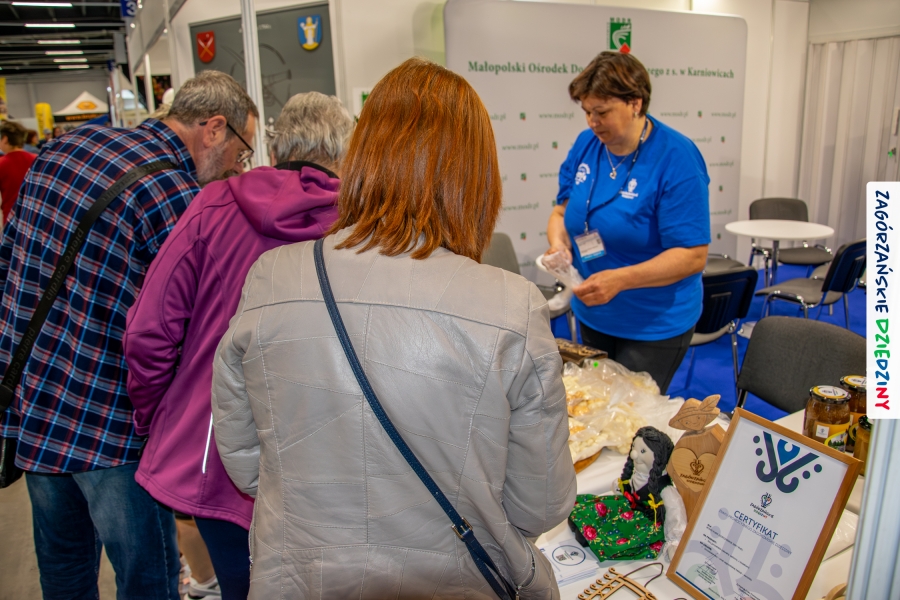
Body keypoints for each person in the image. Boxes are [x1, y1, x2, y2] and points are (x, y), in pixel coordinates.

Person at [211, 58, 577, 599]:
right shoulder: (511, 306)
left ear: (361, 158)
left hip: (301, 581)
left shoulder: (272, 278)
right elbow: (539, 504)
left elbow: (245, 460)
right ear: (476, 176)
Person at [0, 70, 258, 600]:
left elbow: (9, 264)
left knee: (64, 571)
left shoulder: (66, 147)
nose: (239, 165)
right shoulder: (175, 195)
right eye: (241, 149)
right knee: (148, 579)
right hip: (112, 428)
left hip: (34, 410)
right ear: (213, 128)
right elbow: (177, 327)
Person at [124, 91, 353, 600]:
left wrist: (157, 416)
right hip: (327, 454)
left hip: (215, 451)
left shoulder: (211, 206)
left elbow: (148, 331)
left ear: (275, 146)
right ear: (346, 152)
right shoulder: (361, 224)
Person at [545, 51, 710, 393]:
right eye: (587, 112)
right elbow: (560, 213)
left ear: (635, 103)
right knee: (596, 406)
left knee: (632, 416)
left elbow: (692, 256)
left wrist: (620, 280)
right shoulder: (587, 145)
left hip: (652, 324)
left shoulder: (676, 158)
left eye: (602, 112)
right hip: (593, 312)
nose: (592, 122)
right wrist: (558, 244)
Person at [0, 120, 37, 222]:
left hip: (11, 219)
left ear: (5, 139)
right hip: (36, 218)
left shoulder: (2, 164)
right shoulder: (37, 160)